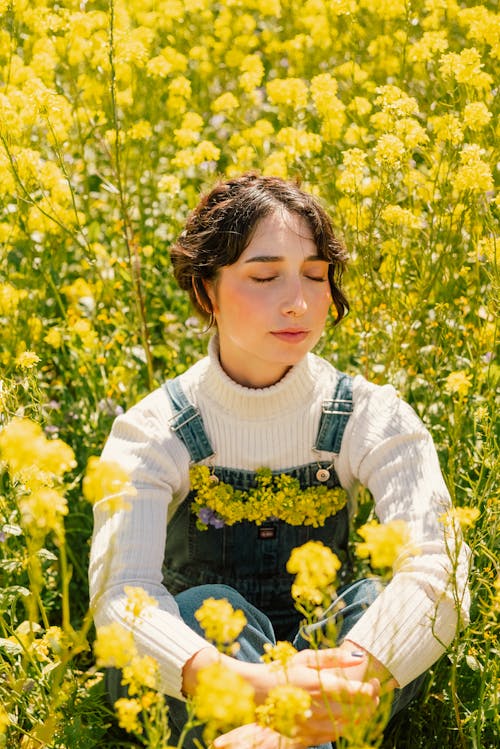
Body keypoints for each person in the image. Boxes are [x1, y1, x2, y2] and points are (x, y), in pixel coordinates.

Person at [89, 173, 470, 748]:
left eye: (316, 276)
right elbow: (123, 597)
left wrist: (322, 695)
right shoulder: (154, 429)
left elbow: (439, 569)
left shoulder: (372, 415)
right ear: (206, 291)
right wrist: (254, 688)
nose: (298, 301)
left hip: (333, 658)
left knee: (377, 607)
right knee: (201, 608)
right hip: (210, 673)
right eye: (265, 276)